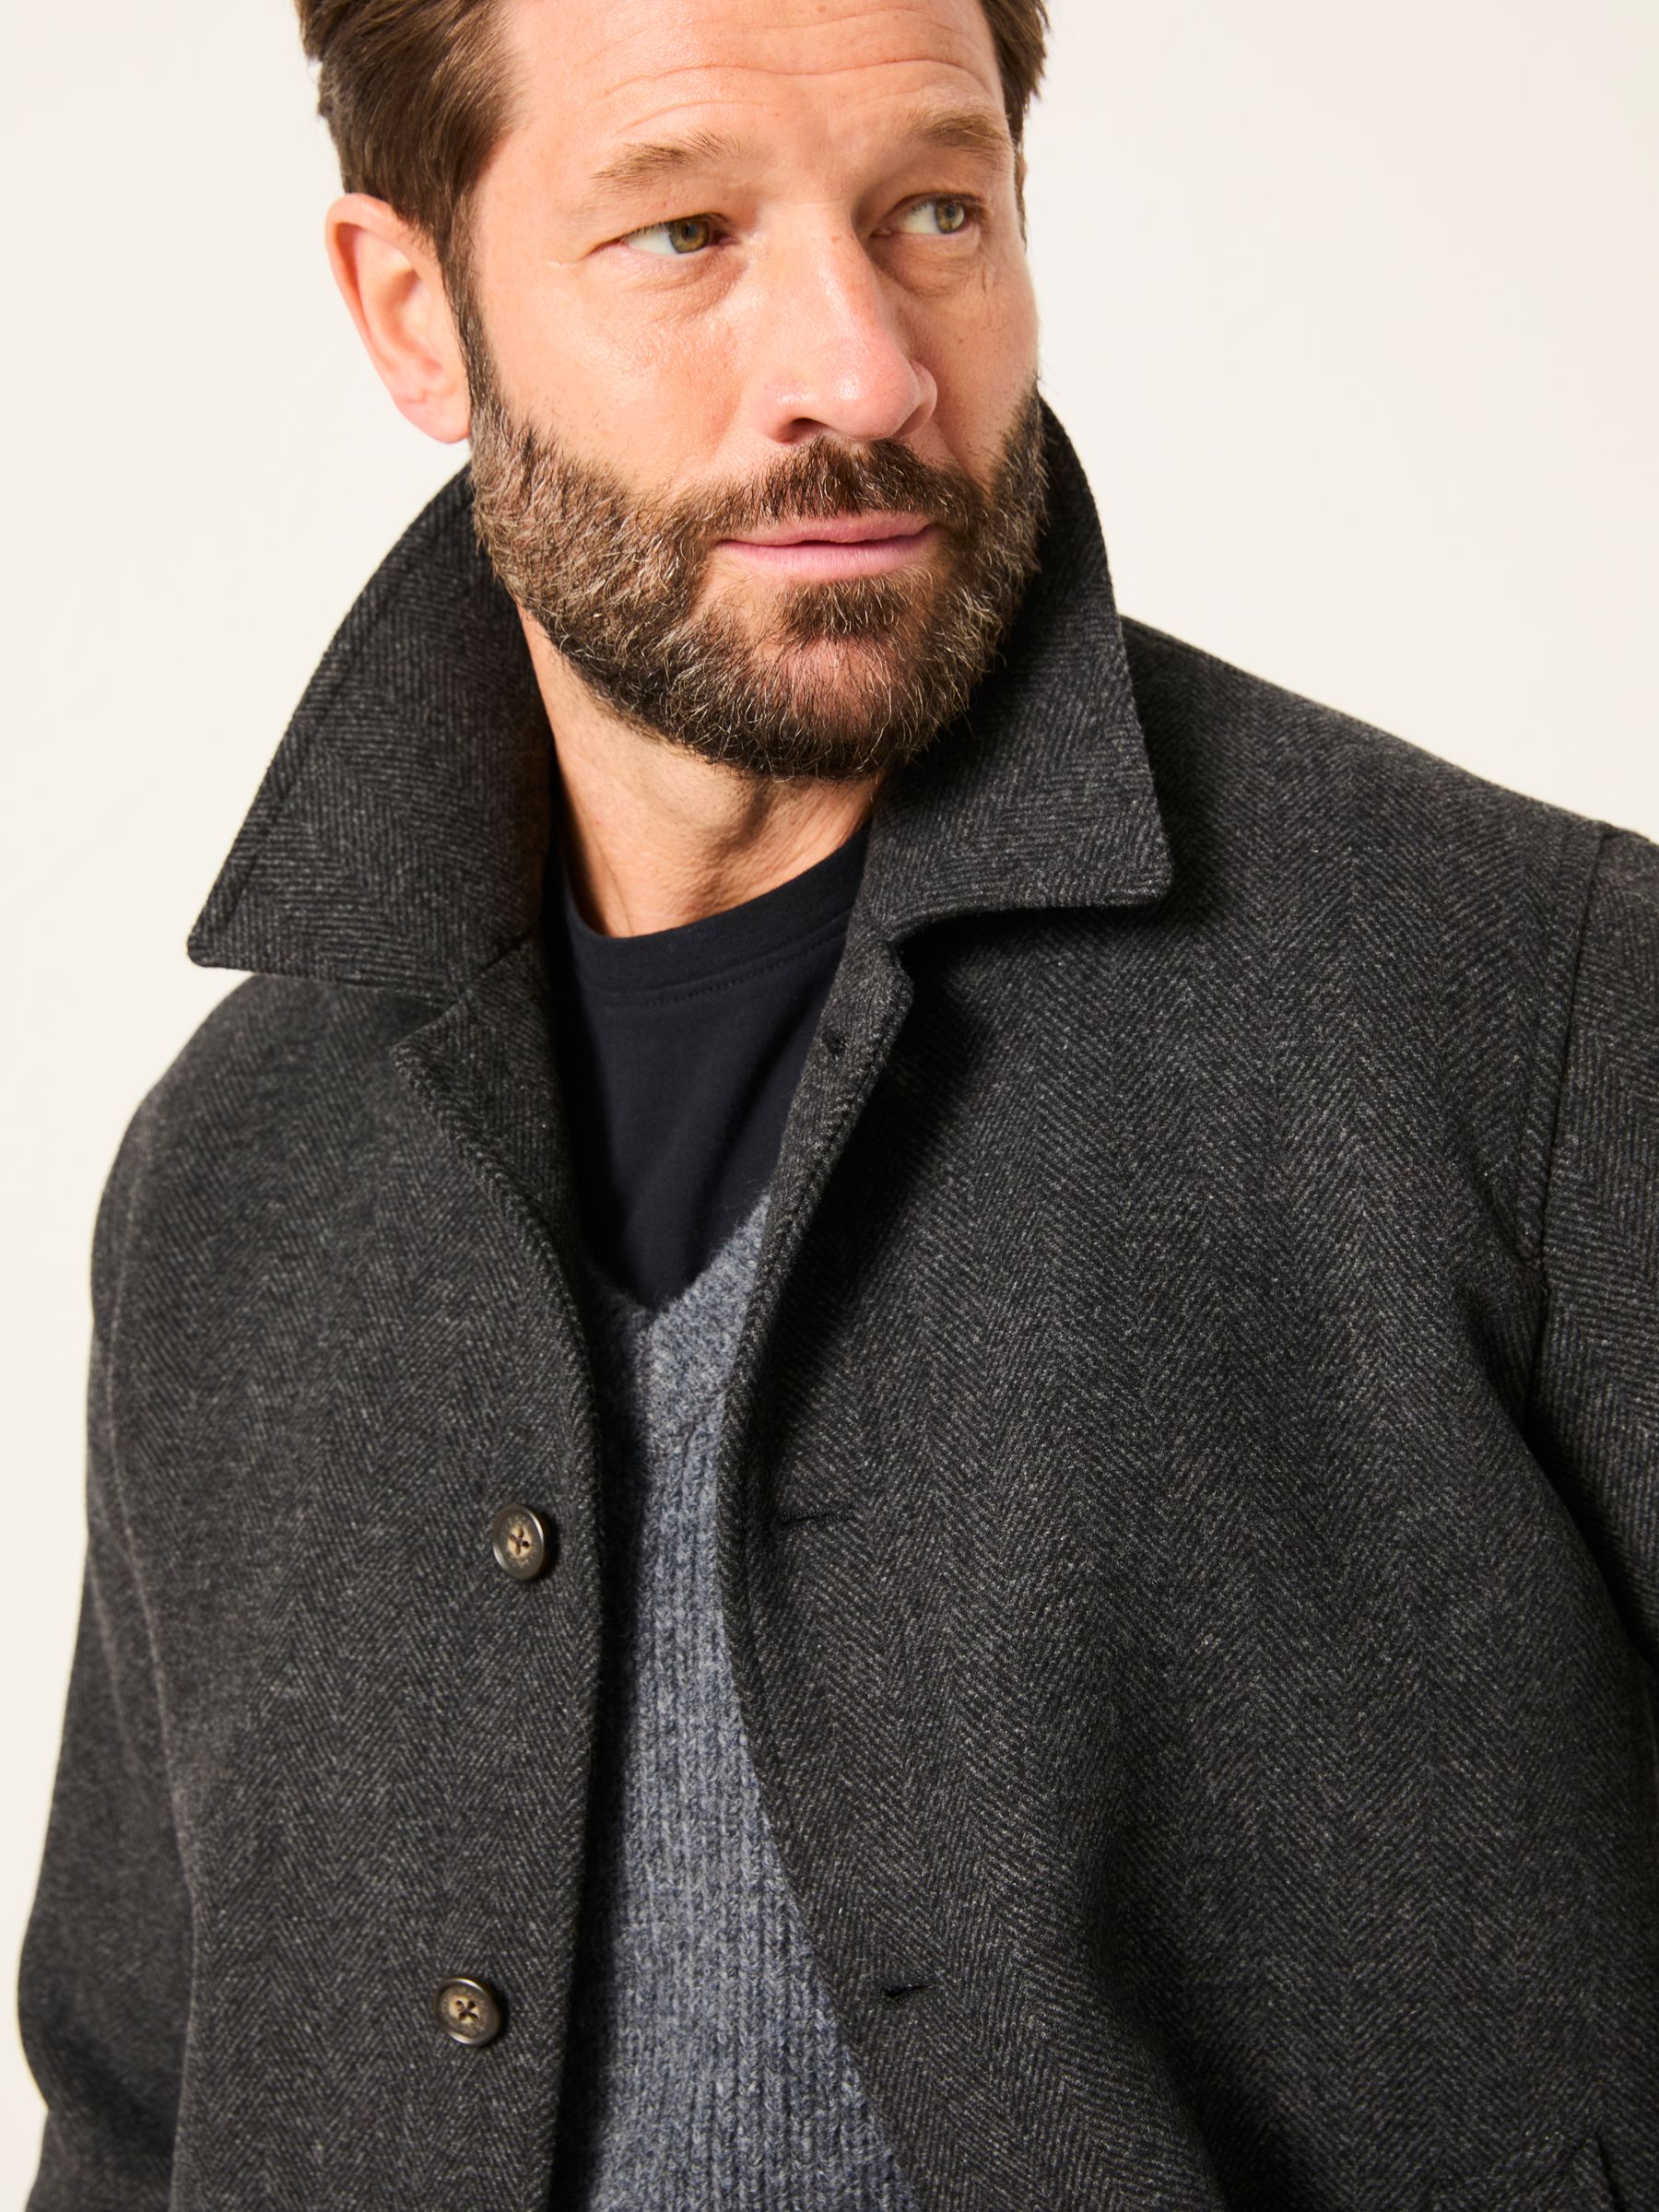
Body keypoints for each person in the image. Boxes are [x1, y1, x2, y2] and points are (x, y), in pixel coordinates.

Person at [16, 0, 1657, 2205]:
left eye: (937, 211)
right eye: (687, 232)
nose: (868, 374)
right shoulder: (232, 1177)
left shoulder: (1536, 1009)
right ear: (415, 311)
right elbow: (133, 2114)